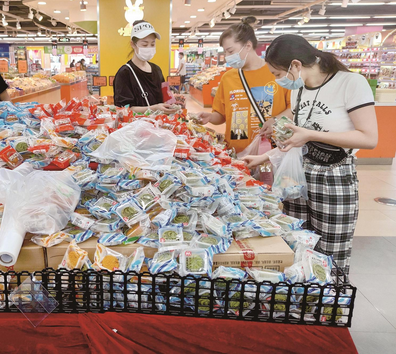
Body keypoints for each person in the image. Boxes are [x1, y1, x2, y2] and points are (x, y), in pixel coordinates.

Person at [242, 34, 378, 274]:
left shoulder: (351, 83)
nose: (277, 80)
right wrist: (264, 157)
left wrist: (310, 135)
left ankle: (328, 309)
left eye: (277, 74)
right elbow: (298, 141)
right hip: (297, 178)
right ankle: (301, 308)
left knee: (330, 255)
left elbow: (368, 138)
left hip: (334, 179)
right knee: (296, 244)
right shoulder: (299, 89)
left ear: (295, 65)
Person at [195, 17, 292, 153]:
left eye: (230, 51)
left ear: (247, 46)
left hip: (272, 150)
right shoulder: (228, 78)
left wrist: (275, 121)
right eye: (225, 52)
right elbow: (221, 114)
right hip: (237, 152)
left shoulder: (276, 72)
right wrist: (210, 117)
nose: (228, 57)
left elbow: (293, 108)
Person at [113, 20, 177, 114]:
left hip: (159, 124)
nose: (149, 48)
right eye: (144, 44)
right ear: (133, 44)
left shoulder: (157, 70)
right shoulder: (124, 73)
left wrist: (173, 105)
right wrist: (155, 108)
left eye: (152, 44)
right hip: (136, 126)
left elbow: (166, 95)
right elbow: (123, 109)